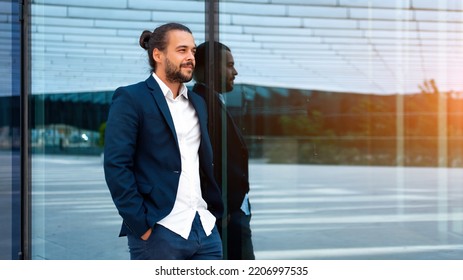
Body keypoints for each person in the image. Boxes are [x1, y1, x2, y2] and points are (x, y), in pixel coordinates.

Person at [103, 23, 223, 260]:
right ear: (158, 54)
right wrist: (140, 225)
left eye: (193, 51)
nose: (190, 57)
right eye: (182, 50)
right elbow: (117, 165)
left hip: (205, 229)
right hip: (159, 231)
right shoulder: (131, 98)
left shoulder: (198, 103)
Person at [193, 41, 255, 259]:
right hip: (225, 217)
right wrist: (223, 209)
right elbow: (205, 161)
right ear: (210, 68)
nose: (235, 71)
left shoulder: (210, 102)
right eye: (229, 65)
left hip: (229, 214)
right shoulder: (202, 105)